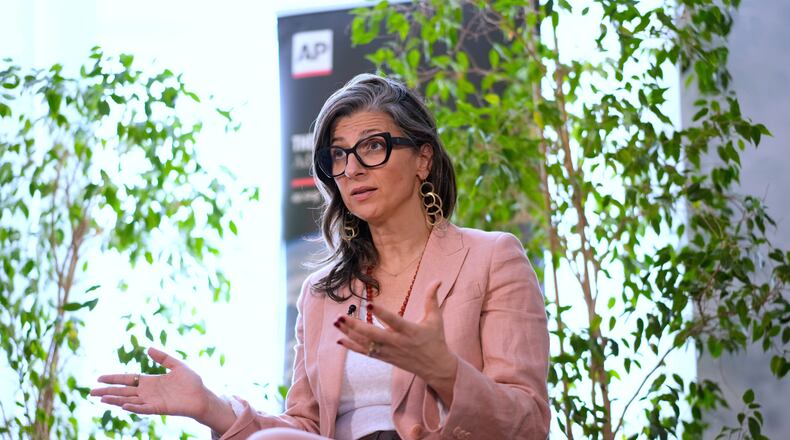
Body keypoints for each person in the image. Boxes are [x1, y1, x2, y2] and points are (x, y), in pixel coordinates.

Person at [91, 73, 550, 440]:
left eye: (373, 146)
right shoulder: (321, 293)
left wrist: (444, 372)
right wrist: (210, 406)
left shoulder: (492, 257)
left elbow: (529, 423)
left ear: (423, 159)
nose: (352, 169)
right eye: (339, 155)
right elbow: (304, 428)